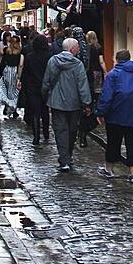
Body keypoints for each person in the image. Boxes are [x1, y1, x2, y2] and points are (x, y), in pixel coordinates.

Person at [95, 49, 133, 183]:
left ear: (117, 60)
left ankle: (109, 169)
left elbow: (106, 96)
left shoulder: (112, 75)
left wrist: (100, 112)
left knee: (113, 143)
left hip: (116, 116)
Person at [42, 38, 91, 171]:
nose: (79, 49)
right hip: (74, 102)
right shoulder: (78, 64)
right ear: (72, 49)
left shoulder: (53, 61)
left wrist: (44, 94)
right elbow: (82, 85)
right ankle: (67, 156)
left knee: (60, 131)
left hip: (56, 102)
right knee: (71, 130)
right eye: (77, 47)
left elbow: (47, 80)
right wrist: (86, 103)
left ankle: (64, 159)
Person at [21, 34, 51, 144]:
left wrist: (24, 87)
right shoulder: (49, 56)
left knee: (35, 112)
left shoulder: (29, 56)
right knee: (45, 111)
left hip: (33, 87)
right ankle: (46, 134)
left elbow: (26, 73)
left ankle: (36, 136)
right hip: (46, 87)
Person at [0, 35, 24, 118]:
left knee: (7, 90)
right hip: (14, 71)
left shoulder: (6, 51)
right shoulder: (19, 53)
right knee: (14, 91)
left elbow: (3, 63)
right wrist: (19, 76)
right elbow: (20, 65)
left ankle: (7, 106)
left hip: (7, 71)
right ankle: (13, 109)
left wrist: (1, 74)